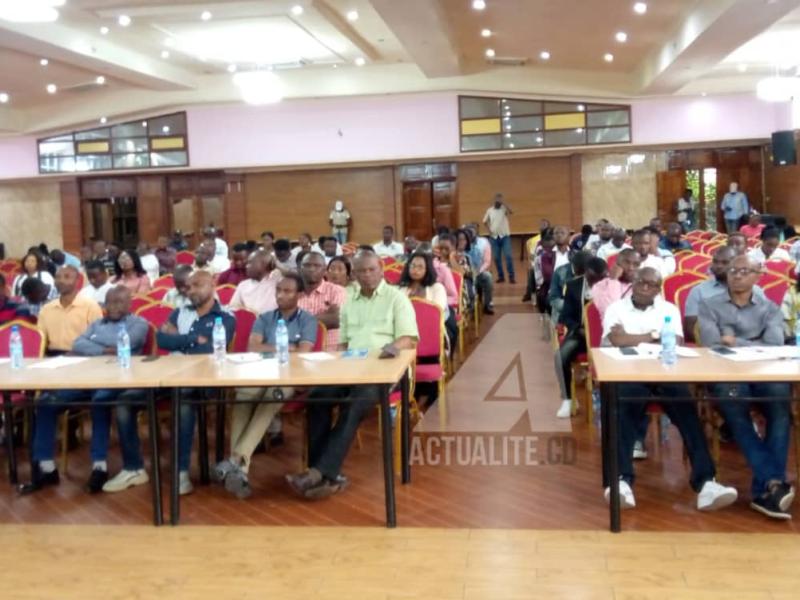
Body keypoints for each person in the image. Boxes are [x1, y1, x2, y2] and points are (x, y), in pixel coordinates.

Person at [601, 267, 737, 512]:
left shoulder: (668, 309)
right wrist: (655, 335)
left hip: (665, 371)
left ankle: (707, 483)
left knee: (689, 416)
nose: (645, 287)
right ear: (633, 281)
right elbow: (617, 340)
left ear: (658, 288)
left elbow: (674, 341)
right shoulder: (616, 308)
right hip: (627, 372)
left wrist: (637, 336)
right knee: (621, 415)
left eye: (652, 284)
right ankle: (620, 481)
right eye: (641, 281)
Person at [286, 251, 418, 500]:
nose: (367, 276)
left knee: (354, 404)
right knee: (317, 398)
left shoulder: (397, 299)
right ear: (353, 274)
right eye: (361, 272)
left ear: (380, 268)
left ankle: (320, 472)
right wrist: (334, 366)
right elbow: (344, 345)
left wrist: (391, 348)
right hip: (352, 368)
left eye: (371, 270)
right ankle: (324, 474)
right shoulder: (350, 301)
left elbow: (408, 338)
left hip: (385, 371)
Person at [115, 271, 236, 495]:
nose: (191, 291)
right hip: (168, 376)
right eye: (188, 287)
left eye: (197, 285)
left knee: (184, 401)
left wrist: (178, 341)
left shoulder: (226, 316)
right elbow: (162, 339)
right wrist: (191, 339)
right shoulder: (179, 312)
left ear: (213, 283)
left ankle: (181, 472)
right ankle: (134, 468)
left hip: (204, 380)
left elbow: (209, 349)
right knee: (124, 401)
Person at [19, 286, 148, 495]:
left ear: (129, 304)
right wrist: (104, 350)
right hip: (84, 378)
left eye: (119, 302)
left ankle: (99, 466)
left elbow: (128, 343)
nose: (113, 306)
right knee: (45, 401)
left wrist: (93, 346)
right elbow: (78, 342)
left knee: (100, 403)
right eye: (109, 302)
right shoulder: (96, 323)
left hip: (115, 381)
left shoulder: (138, 324)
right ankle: (46, 466)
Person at [699, 255, 794, 519]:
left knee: (780, 409)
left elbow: (775, 345)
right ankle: (774, 483)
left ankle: (765, 488)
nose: (737, 275)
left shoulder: (769, 308)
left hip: (765, 372)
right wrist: (754, 341)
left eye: (744, 271)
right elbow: (711, 342)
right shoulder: (709, 305)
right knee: (736, 414)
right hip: (726, 373)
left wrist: (735, 341)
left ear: (757, 276)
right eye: (733, 270)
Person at [213, 274, 317, 499]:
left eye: (287, 291)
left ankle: (235, 460)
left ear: (299, 295)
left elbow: (303, 353)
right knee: (242, 396)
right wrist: (286, 347)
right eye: (279, 290)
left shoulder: (308, 320)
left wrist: (275, 348)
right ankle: (239, 470)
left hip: (289, 378)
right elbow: (253, 346)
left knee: (270, 400)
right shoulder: (265, 317)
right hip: (259, 372)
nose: (281, 294)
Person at [555, 256, 607, 418]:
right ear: (585, 273)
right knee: (560, 356)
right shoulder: (573, 286)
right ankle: (567, 399)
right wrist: (580, 329)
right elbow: (566, 316)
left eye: (601, 277)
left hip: (608, 336)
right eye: (593, 277)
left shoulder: (611, 287)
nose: (597, 281)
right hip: (581, 333)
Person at [684, 246, 764, 341]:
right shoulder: (699, 291)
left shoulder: (755, 291)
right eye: (716, 262)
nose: (718, 266)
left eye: (725, 263)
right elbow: (691, 329)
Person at [37, 266, 104, 355]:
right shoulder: (46, 309)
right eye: (57, 277)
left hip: (82, 355)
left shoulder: (91, 307)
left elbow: (98, 338)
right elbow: (41, 340)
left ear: (77, 281)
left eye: (67, 277)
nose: (61, 281)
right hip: (52, 357)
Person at [399, 251, 455, 347]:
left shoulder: (437, 288)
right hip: (404, 332)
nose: (415, 270)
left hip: (430, 330)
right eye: (413, 266)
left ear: (427, 269)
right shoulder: (401, 289)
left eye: (420, 267)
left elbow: (436, 313)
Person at [298, 252, 346, 350]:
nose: (311, 269)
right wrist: (324, 316)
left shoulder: (336, 290)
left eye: (317, 266)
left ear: (324, 270)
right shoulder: (293, 293)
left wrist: (298, 321)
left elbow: (336, 319)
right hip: (300, 351)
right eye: (307, 265)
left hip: (330, 351)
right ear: (300, 269)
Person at [591, 248, 641, 318]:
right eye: (626, 262)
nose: (631, 268)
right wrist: (614, 280)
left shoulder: (642, 287)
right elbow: (612, 312)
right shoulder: (600, 286)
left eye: (636, 264)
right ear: (616, 264)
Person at [229, 250, 279, 315]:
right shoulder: (243, 285)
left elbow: (294, 277)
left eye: (250, 263)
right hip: (248, 322)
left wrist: (275, 265)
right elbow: (233, 309)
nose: (246, 266)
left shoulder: (277, 283)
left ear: (264, 264)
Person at [548, 251, 589, 326]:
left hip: (585, 316)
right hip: (562, 314)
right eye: (583, 271)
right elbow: (553, 299)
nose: (585, 274)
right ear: (575, 267)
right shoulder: (560, 272)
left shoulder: (591, 273)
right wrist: (574, 307)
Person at [483, 193, 515, 283]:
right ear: (494, 200)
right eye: (497, 200)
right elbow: (484, 221)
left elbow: (511, 211)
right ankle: (501, 276)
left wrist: (504, 203)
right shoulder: (489, 210)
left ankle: (511, 277)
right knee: (496, 258)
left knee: (508, 256)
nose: (498, 201)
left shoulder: (504, 209)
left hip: (505, 236)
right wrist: (489, 231)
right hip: (494, 237)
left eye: (500, 200)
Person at [466, 224, 495, 315]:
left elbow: (487, 261)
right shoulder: (463, 243)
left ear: (477, 233)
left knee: (488, 277)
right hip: (466, 273)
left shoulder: (484, 242)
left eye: (473, 232)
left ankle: (487, 304)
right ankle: (470, 306)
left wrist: (479, 271)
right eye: (469, 233)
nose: (471, 235)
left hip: (480, 271)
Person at [533, 235, 556, 314]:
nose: (551, 250)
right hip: (545, 286)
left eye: (553, 247)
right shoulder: (539, 258)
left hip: (558, 287)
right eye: (548, 248)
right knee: (544, 298)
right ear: (544, 248)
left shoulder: (559, 256)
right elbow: (539, 279)